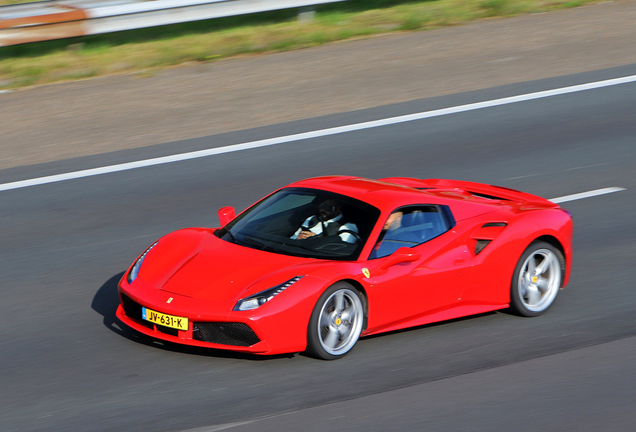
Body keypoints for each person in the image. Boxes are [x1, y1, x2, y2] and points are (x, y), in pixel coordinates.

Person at [291, 200, 359, 243]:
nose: (323, 210)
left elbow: (343, 249)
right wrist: (297, 239)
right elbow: (293, 238)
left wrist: (316, 239)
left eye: (328, 207)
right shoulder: (312, 219)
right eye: (321, 206)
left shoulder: (348, 226)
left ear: (337, 209)